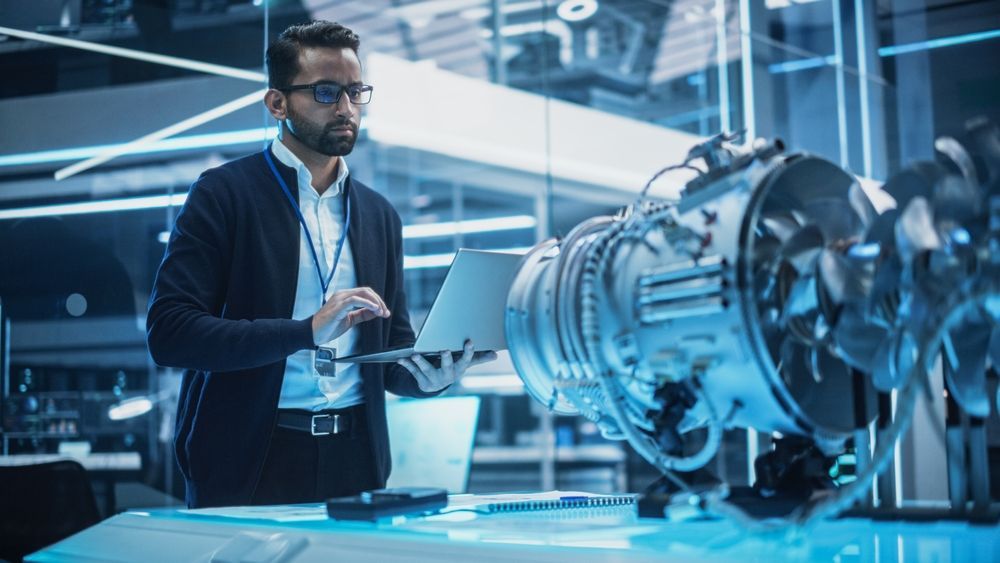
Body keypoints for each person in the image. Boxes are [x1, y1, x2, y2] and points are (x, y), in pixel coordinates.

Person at [147, 20, 495, 509]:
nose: (347, 108)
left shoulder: (377, 214)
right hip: (252, 459)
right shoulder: (223, 194)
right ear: (277, 103)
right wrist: (305, 330)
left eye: (356, 92)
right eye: (327, 92)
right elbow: (171, 334)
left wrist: (426, 378)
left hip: (355, 459)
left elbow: (390, 346)